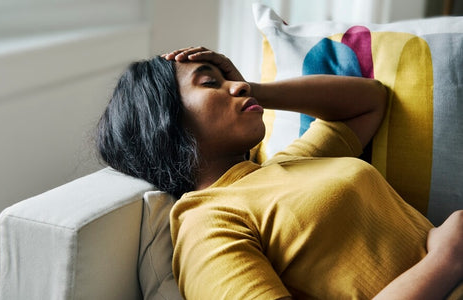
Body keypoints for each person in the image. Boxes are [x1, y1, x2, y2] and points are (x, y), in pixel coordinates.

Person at [96, 46, 463, 299]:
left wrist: (255, 92)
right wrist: (445, 262)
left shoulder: (287, 165)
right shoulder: (206, 223)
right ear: (164, 122)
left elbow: (369, 101)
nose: (234, 84)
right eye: (209, 83)